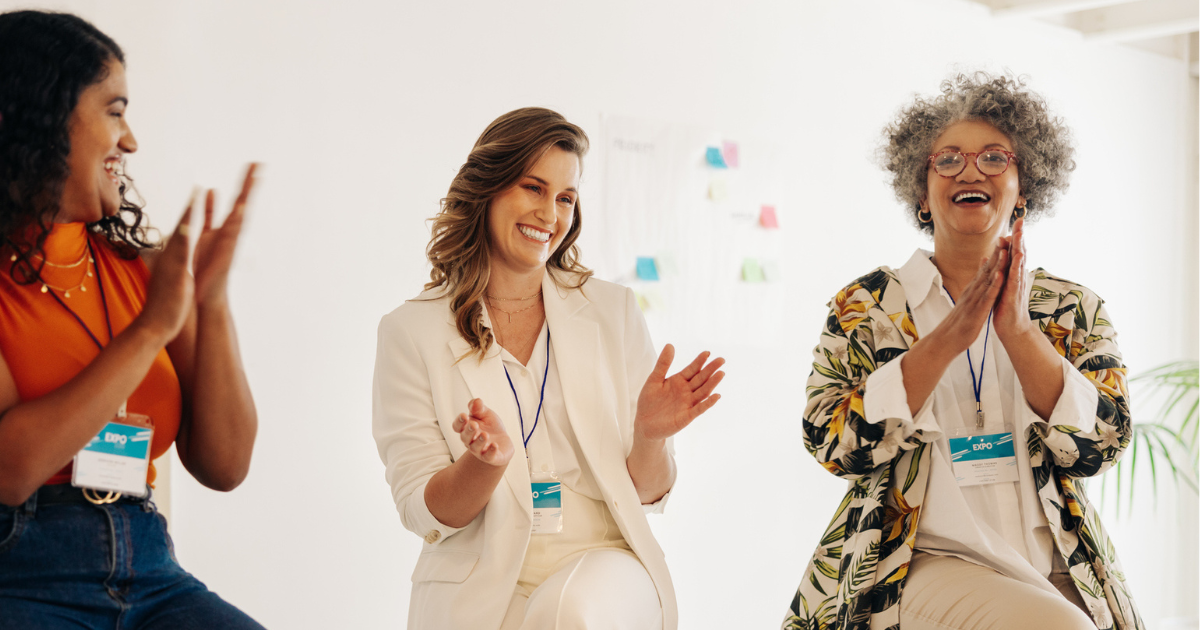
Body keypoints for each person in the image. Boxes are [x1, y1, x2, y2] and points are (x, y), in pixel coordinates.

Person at [784, 73, 1142, 630]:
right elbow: (831, 443)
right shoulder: (867, 306)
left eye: (995, 158)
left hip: (1053, 562)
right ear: (921, 192)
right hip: (920, 559)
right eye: (947, 160)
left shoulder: (1072, 308)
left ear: (1024, 189)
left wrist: (1020, 334)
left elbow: (1101, 445)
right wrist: (949, 337)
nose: (970, 170)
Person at [372, 107, 724, 630]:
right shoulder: (411, 332)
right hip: (479, 587)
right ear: (486, 190)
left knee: (568, 614)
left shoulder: (612, 312)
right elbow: (421, 512)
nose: (549, 214)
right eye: (533, 188)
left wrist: (649, 435)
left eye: (565, 198)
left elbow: (648, 493)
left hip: (602, 566)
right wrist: (484, 464)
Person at [0, 11, 263, 629]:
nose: (131, 140)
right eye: (114, 111)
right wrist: (149, 332)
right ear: (40, 118)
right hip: (20, 574)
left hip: (149, 570)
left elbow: (225, 467)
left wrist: (211, 303)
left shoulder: (146, 274)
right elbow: (10, 473)